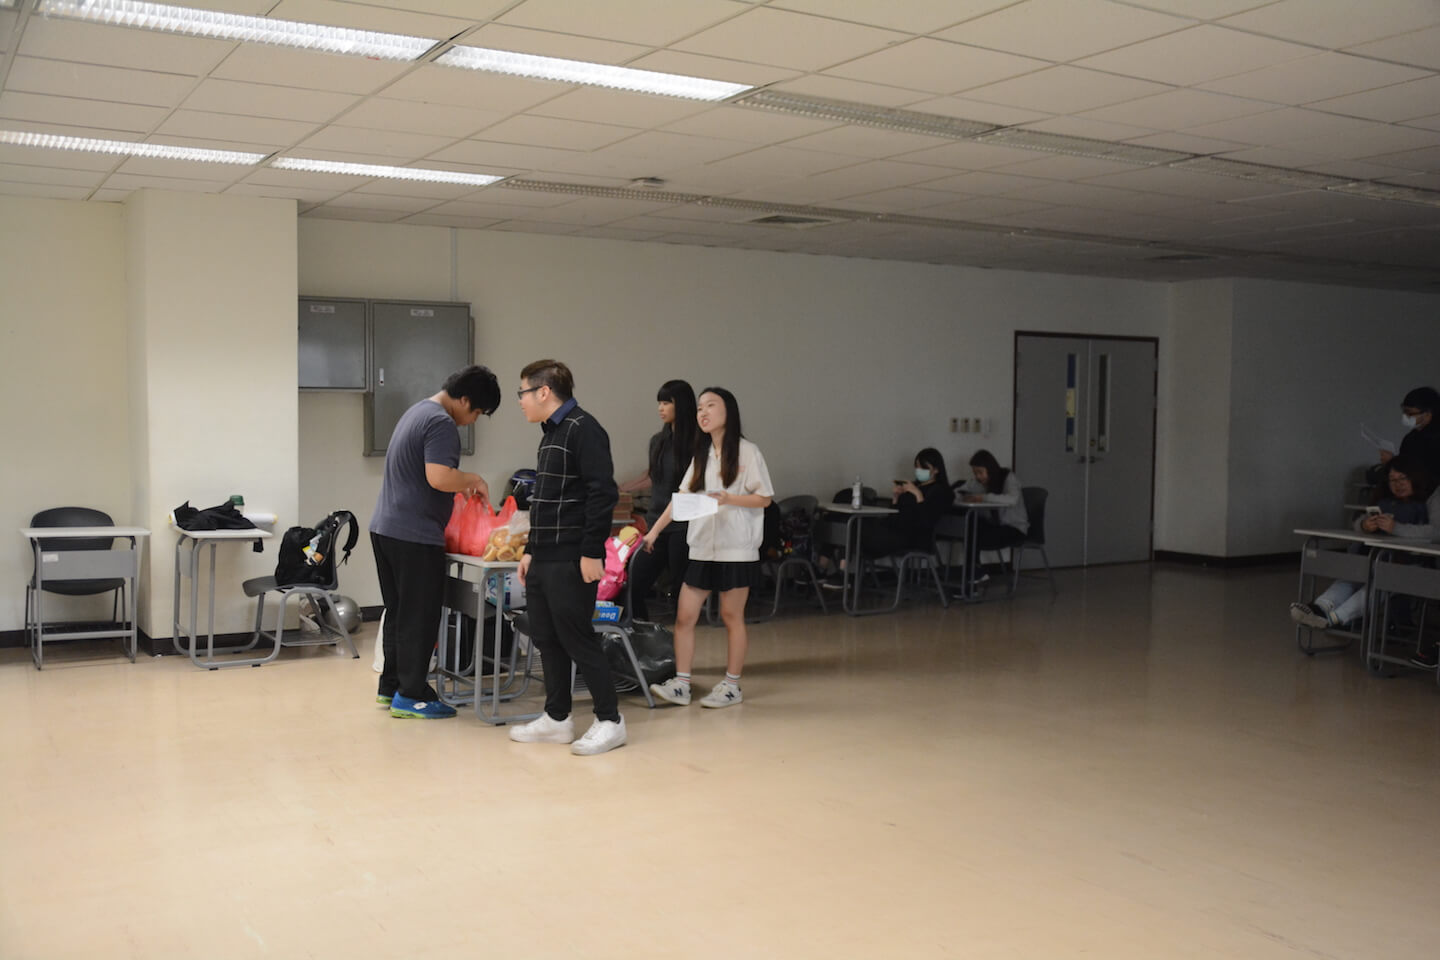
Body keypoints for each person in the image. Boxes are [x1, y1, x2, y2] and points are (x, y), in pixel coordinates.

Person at [506, 360, 626, 756]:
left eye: (523, 392)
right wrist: (531, 550)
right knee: (546, 637)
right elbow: (547, 500)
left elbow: (602, 494)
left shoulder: (583, 428)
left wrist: (592, 552)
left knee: (577, 637)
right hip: (545, 556)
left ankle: (610, 720)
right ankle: (557, 718)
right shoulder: (551, 433)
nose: (520, 401)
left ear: (544, 391)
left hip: (573, 557)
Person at [370, 365, 499, 719]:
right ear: (465, 400)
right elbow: (439, 477)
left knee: (399, 613)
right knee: (419, 616)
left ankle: (391, 687)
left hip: (386, 528)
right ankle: (412, 695)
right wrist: (473, 479)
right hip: (414, 535)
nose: (472, 421)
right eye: (477, 413)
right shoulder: (441, 422)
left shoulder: (417, 411)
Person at [643, 387, 773, 709]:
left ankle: (731, 686)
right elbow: (681, 498)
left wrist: (730, 499)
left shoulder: (747, 452)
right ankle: (682, 684)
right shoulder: (701, 455)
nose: (703, 412)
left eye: (711, 406)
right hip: (701, 547)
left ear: (729, 411)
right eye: (700, 407)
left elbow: (764, 498)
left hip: (736, 548)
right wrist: (654, 532)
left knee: (731, 616)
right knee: (685, 616)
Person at [1291, 456, 1436, 630]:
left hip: (1405, 564)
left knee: (1378, 585)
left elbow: (1431, 533)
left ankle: (1334, 619)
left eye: (1402, 478)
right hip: (1374, 558)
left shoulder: (1425, 504)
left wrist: (1396, 528)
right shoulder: (1385, 502)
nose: (1398, 484)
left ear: (1414, 477)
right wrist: (1365, 525)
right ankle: (1319, 608)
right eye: (1392, 480)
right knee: (1349, 578)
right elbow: (1358, 521)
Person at [623, 380, 697, 620]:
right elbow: (653, 476)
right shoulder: (658, 440)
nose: (660, 408)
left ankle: (682, 637)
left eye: (666, 402)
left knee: (681, 589)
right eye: (659, 403)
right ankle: (642, 632)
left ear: (681, 405)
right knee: (634, 582)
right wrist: (621, 489)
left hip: (684, 526)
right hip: (655, 524)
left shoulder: (697, 442)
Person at [859, 448, 954, 557]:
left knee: (861, 534)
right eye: (917, 466)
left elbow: (926, 521)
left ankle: (846, 561)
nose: (918, 470)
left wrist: (918, 494)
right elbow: (895, 516)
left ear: (936, 469)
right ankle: (846, 561)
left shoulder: (941, 491)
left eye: (923, 467)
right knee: (856, 526)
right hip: (895, 530)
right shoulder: (913, 486)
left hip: (913, 537)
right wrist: (896, 498)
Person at [956, 449, 1029, 554]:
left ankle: (973, 564)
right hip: (994, 525)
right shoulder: (977, 483)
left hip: (1014, 528)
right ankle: (973, 564)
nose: (977, 476)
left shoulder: (1008, 477)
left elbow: (1012, 499)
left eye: (980, 472)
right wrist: (964, 497)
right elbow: (957, 492)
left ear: (990, 469)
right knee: (970, 527)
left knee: (973, 537)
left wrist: (983, 498)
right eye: (975, 473)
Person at [1379, 387, 1440, 480]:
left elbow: (1424, 472)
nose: (1405, 416)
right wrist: (1392, 463)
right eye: (1404, 412)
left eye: (1410, 413)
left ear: (1428, 414)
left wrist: (1392, 462)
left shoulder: (1435, 439)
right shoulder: (1411, 437)